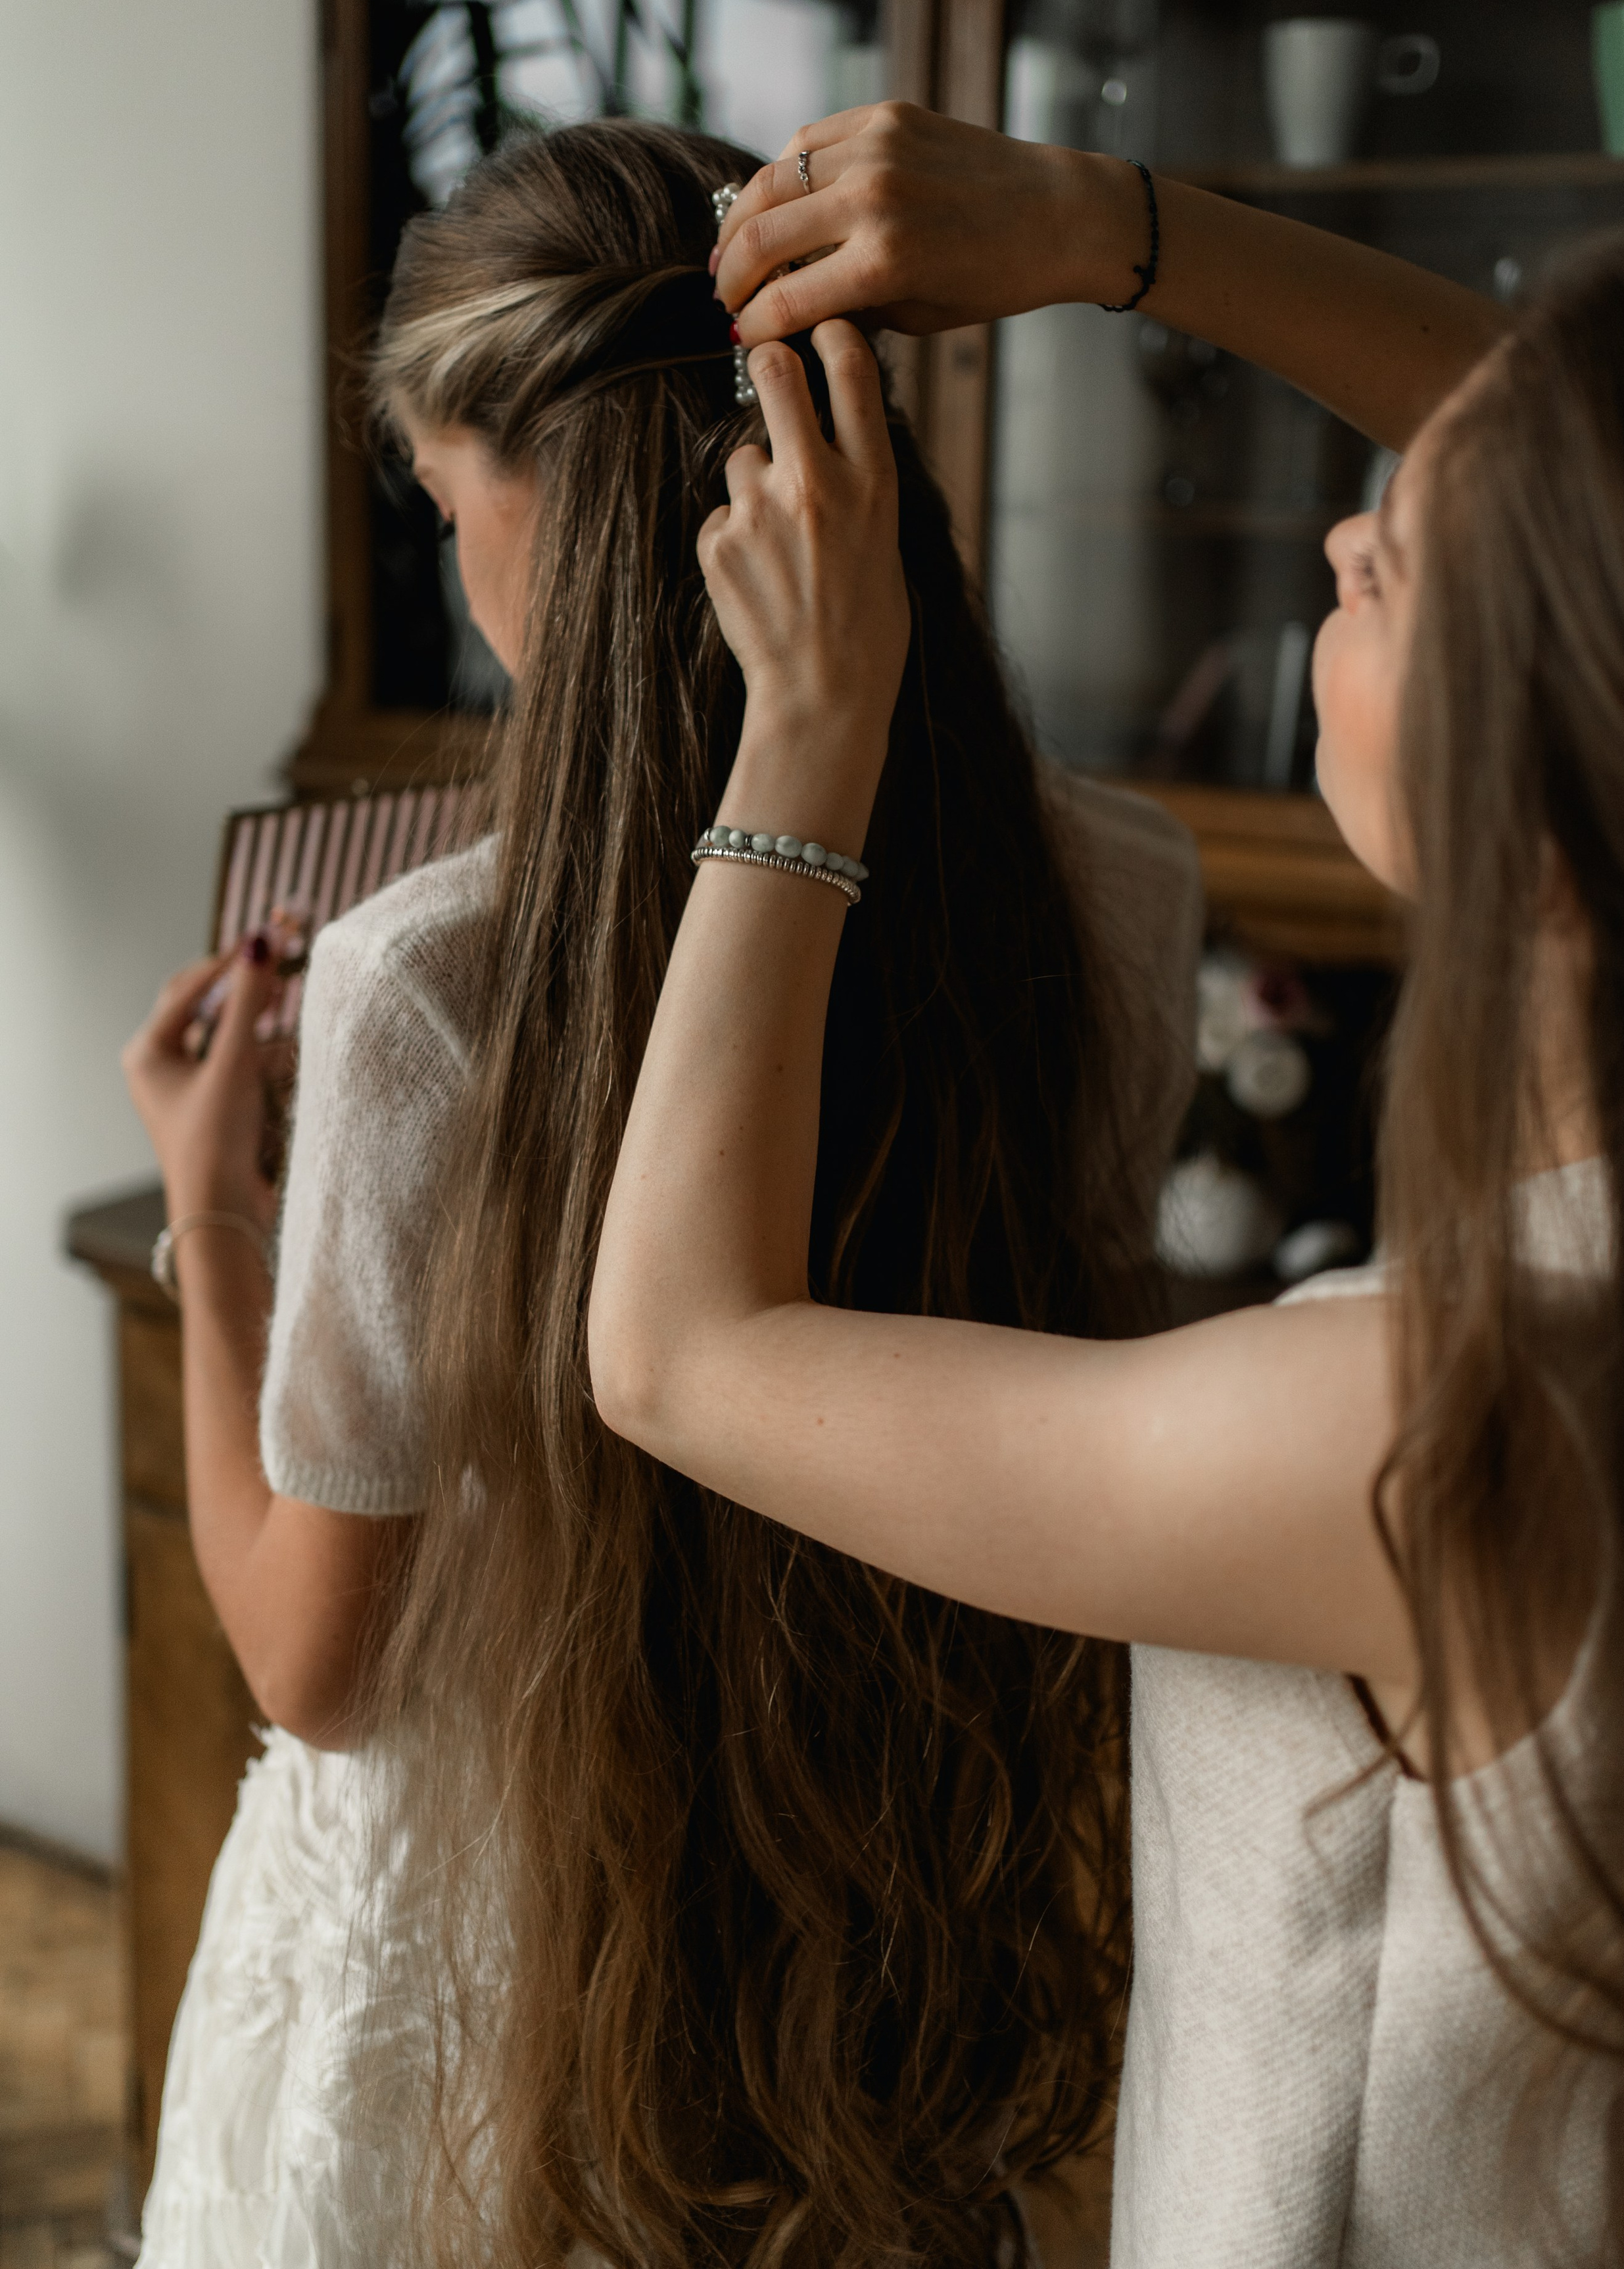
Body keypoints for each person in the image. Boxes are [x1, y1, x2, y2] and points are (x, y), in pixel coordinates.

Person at [121, 112, 1498, 2267]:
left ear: (547, 512)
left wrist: (211, 1216)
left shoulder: (420, 991)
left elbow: (318, 1661)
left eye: (442, 500)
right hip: (879, 1894)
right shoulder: (1116, 893)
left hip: (517, 1959)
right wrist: (1099, 223)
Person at [590, 123, 1624, 2264]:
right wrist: (1109, 238)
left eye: (1402, 575)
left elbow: (676, 1352)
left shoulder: (1444, 1425)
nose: (1355, 527)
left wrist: (809, 737)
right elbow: (1593, 482)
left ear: (1550, 810)